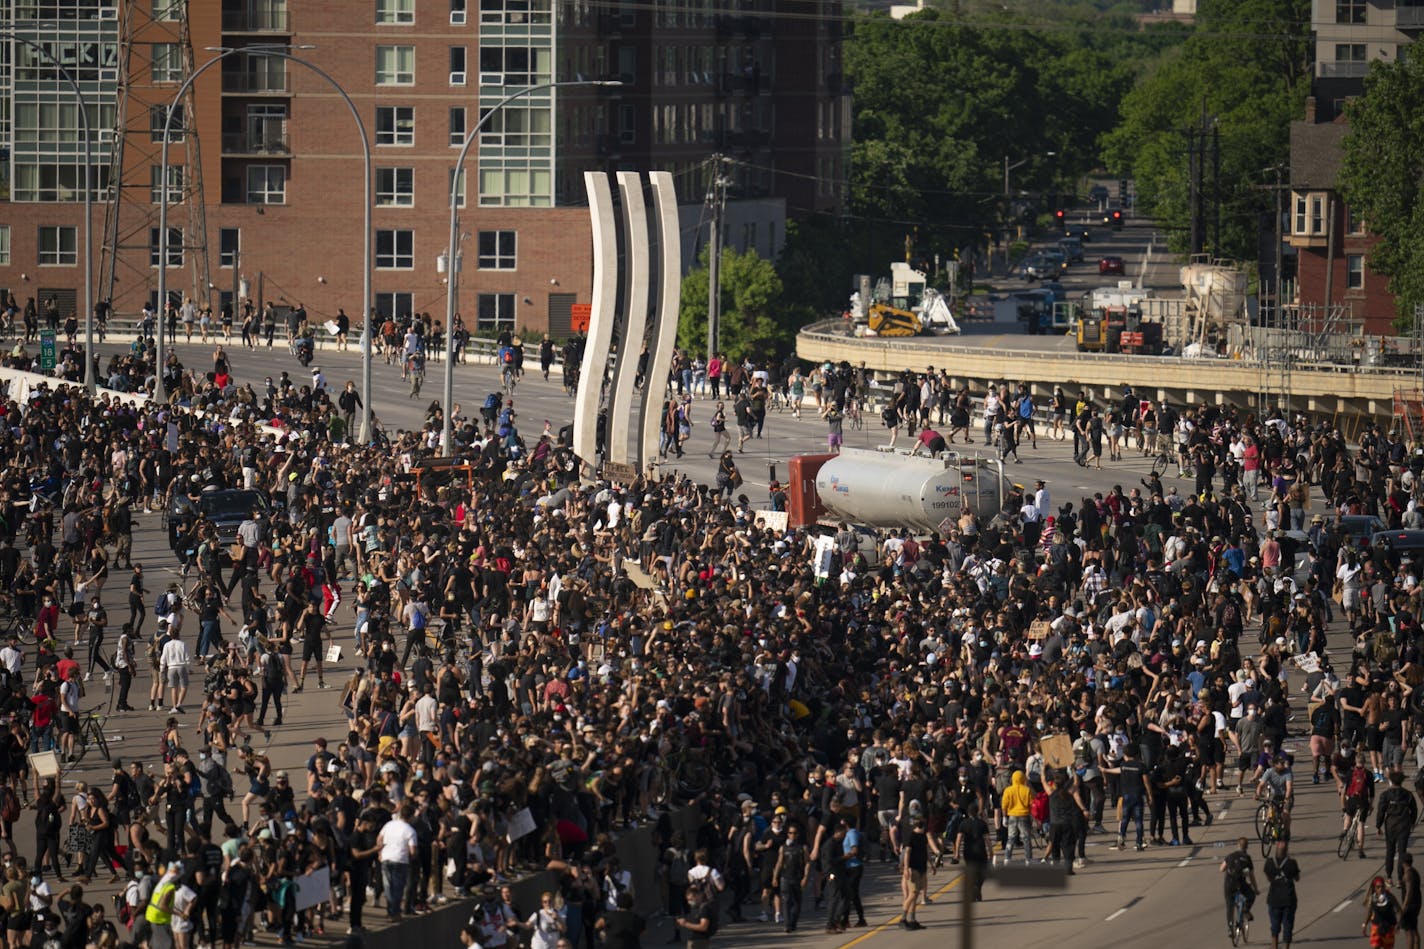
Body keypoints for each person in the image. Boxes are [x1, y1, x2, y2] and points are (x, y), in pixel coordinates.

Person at [1379, 771, 1419, 886]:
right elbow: (1414, 809)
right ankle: (1400, 879)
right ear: (1402, 781)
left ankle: (1389, 877)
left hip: (1390, 825)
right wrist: (1412, 822)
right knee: (1402, 852)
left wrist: (1378, 825)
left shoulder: (1385, 795)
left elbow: (1381, 811)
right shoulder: (1408, 794)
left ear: (1391, 781)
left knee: (1390, 851)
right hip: (1404, 825)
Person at [1263, 840, 1299, 949]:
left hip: (1274, 899)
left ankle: (1274, 946)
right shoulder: (1292, 863)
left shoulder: (1269, 862)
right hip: (1289, 899)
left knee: (1274, 927)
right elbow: (1297, 878)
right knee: (1288, 925)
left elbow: (1268, 878)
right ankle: (1286, 946)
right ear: (1287, 850)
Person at [953, 800, 990, 902]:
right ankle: (977, 886)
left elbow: (959, 839)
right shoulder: (982, 823)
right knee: (983, 871)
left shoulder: (963, 823)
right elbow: (987, 839)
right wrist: (991, 851)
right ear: (978, 811)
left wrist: (956, 853)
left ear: (968, 813)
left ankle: (973, 886)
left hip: (968, 851)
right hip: (981, 850)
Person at [1220, 836, 1257, 935]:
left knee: (1229, 905)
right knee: (1251, 895)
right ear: (1246, 847)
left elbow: (1221, 869)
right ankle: (1245, 909)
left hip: (1229, 884)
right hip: (1240, 884)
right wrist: (1255, 889)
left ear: (1238, 845)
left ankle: (1230, 928)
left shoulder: (1230, 856)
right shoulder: (1247, 858)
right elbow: (1251, 875)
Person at [1367, 876, 1402, 949]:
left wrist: (1398, 924)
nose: (1381, 889)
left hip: (1388, 927)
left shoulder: (1390, 897)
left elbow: (1399, 910)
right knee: (1375, 946)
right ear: (1375, 888)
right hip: (1376, 927)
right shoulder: (1373, 898)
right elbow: (1370, 912)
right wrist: (1365, 924)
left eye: (1382, 886)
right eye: (1378, 887)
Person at [1402, 853, 1421, 949]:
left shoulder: (1408, 874)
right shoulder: (1415, 872)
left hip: (1410, 905)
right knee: (1414, 929)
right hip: (1416, 903)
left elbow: (1409, 892)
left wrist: (1404, 906)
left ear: (1403, 863)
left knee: (1409, 932)